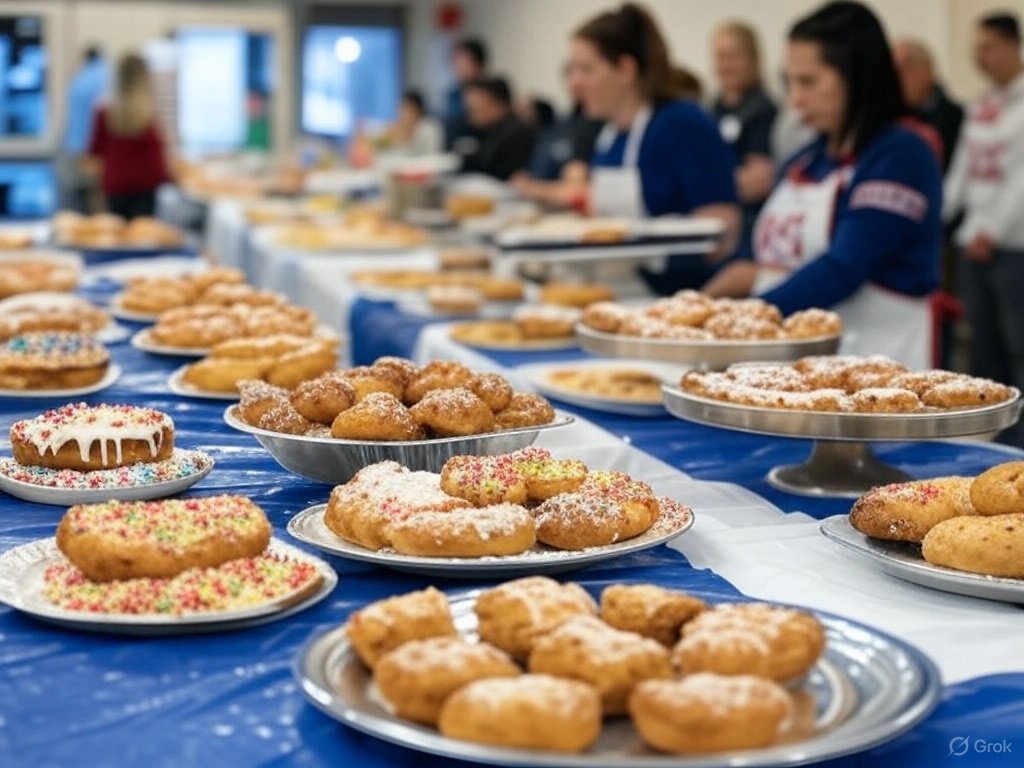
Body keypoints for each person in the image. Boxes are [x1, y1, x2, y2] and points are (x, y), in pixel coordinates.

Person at [703, 0, 942, 370]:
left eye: (809, 81)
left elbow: (844, 268)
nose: (795, 100)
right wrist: (705, 303)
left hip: (884, 367)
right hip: (808, 365)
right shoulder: (807, 159)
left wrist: (748, 318)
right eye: (790, 82)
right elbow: (756, 255)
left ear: (856, 76)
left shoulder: (901, 156)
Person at [569, 3, 741, 293]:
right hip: (619, 289)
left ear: (625, 69)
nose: (574, 83)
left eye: (586, 69)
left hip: (678, 298)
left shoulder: (681, 123)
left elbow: (723, 232)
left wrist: (646, 243)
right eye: (572, 70)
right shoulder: (609, 137)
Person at [944, 12, 1024, 423]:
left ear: (1014, 46)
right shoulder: (983, 104)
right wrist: (944, 214)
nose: (982, 57)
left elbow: (1020, 178)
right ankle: (996, 436)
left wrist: (992, 230)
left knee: (1018, 345)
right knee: (982, 347)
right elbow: (965, 165)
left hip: (1012, 248)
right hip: (974, 244)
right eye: (977, 49)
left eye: (989, 47)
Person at [710, 22, 777, 253]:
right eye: (720, 57)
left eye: (733, 56)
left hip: (748, 223)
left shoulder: (762, 109)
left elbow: (756, 182)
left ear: (752, 59)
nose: (726, 65)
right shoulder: (713, 108)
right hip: (713, 219)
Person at [86, 53, 172, 219]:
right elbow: (156, 160)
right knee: (143, 238)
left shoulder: (104, 111)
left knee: (117, 238)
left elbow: (94, 154)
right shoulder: (148, 115)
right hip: (145, 189)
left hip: (115, 187)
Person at [893, 38, 964, 173]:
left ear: (927, 70)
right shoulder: (888, 121)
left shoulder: (958, 119)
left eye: (904, 69)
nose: (895, 79)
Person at [458, 77, 535, 181]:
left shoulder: (516, 134)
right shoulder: (486, 130)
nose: (470, 116)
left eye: (475, 110)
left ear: (497, 105)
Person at [62, 45, 109, 213]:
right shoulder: (108, 77)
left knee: (84, 198)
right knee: (100, 200)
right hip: (99, 151)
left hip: (76, 149)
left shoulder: (77, 81)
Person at [444, 38, 488, 149]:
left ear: (478, 64)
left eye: (463, 62)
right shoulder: (453, 94)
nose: (458, 68)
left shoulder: (490, 95)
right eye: (456, 62)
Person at [389, 91, 443, 155]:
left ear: (417, 110)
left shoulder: (428, 128)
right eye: (401, 109)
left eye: (408, 109)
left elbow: (431, 154)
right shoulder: (398, 128)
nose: (402, 114)